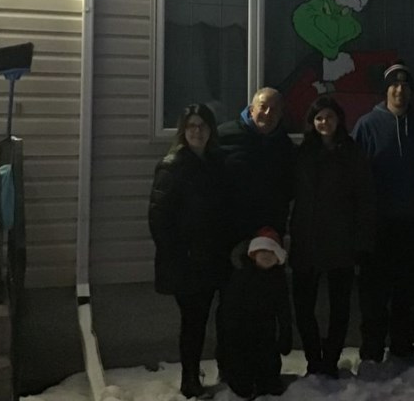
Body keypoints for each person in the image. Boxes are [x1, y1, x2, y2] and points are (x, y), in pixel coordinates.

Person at [351, 61, 414, 363]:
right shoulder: (367, 125)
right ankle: (371, 353)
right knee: (374, 295)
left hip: (412, 223)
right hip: (377, 225)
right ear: (385, 91)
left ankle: (402, 349)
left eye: (405, 86)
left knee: (407, 294)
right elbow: (353, 176)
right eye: (394, 85)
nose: (399, 91)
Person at [148, 104, 231, 398]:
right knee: (193, 323)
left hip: (213, 259)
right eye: (192, 125)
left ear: (211, 130)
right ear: (184, 130)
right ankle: (189, 378)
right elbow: (159, 220)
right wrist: (178, 256)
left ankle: (223, 369)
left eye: (203, 125)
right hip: (186, 263)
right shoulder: (173, 165)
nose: (197, 131)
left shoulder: (215, 162)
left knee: (210, 317)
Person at [289, 96, 375, 378]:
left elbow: (364, 198)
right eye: (319, 118)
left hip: (342, 240)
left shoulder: (352, 153)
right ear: (312, 123)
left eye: (329, 117)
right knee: (303, 307)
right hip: (307, 239)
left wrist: (361, 241)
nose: (324, 122)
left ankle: (331, 360)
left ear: (339, 120)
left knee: (340, 308)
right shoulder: (303, 153)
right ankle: (314, 358)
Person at [219, 227, 294, 398]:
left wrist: (285, 332)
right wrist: (231, 328)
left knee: (268, 362)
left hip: (266, 330)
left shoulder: (278, 279)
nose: (267, 256)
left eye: (272, 253)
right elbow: (230, 306)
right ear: (253, 254)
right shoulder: (242, 276)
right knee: (242, 367)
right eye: (262, 252)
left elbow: (283, 308)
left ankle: (268, 381)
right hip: (241, 331)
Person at [217, 87, 296, 242]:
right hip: (230, 230)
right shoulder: (224, 136)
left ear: (280, 115)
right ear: (251, 109)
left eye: (274, 110)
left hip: (268, 232)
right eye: (263, 107)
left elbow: (289, 187)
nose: (267, 113)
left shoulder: (285, 146)